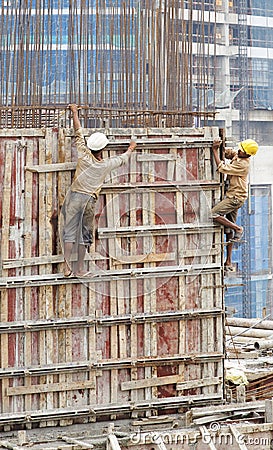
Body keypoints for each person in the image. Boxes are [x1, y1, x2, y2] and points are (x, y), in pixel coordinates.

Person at [61, 104, 136, 277]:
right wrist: (131, 147)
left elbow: (78, 131)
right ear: (102, 149)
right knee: (85, 235)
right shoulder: (105, 165)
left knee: (69, 233)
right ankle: (79, 269)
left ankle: (67, 268)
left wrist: (74, 112)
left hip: (74, 197)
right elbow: (123, 158)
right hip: (89, 200)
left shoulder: (84, 155)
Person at [211, 138, 258, 272]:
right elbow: (229, 153)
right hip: (236, 196)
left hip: (235, 198)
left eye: (242, 150)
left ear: (247, 155)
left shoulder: (243, 165)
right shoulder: (239, 155)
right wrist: (222, 149)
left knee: (213, 214)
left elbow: (222, 168)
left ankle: (238, 228)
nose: (239, 150)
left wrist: (215, 150)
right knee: (228, 229)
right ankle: (229, 261)